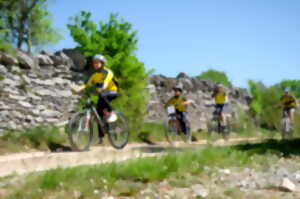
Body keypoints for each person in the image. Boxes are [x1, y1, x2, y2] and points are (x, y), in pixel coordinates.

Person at [73, 54, 119, 142]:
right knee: (98, 113)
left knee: (103, 96)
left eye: (98, 62)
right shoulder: (94, 75)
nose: (95, 64)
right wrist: (78, 89)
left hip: (113, 91)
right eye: (94, 63)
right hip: (102, 93)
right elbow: (86, 84)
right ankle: (101, 137)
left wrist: (102, 89)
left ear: (102, 63)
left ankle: (112, 112)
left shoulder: (107, 72)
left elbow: (105, 83)